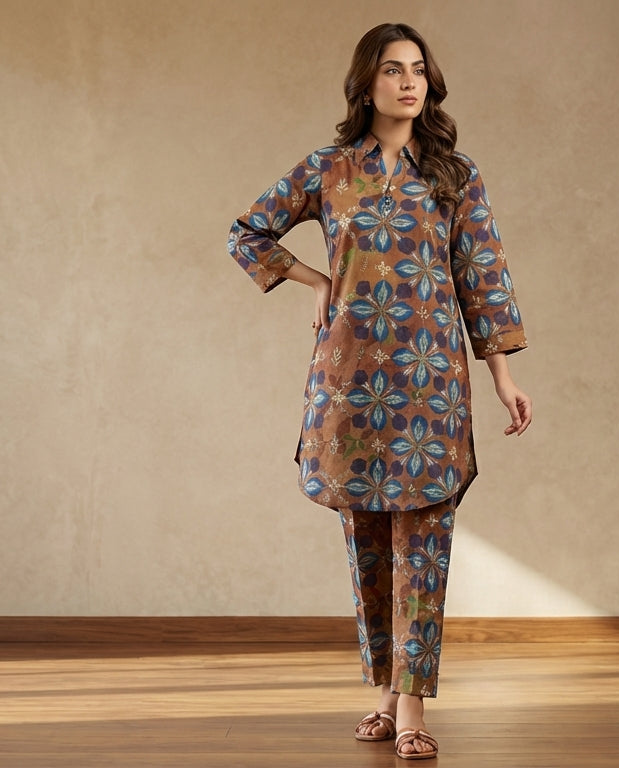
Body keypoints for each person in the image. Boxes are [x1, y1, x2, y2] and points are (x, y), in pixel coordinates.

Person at [228, 22, 531, 760]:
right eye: (392, 69)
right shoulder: (329, 170)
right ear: (366, 83)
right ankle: (384, 691)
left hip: (431, 385)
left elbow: (481, 277)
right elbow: (249, 233)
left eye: (418, 69)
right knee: (368, 543)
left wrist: (503, 374)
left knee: (423, 543)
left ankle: (414, 708)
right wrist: (319, 280)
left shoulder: (455, 175)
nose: (407, 81)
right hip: (351, 384)